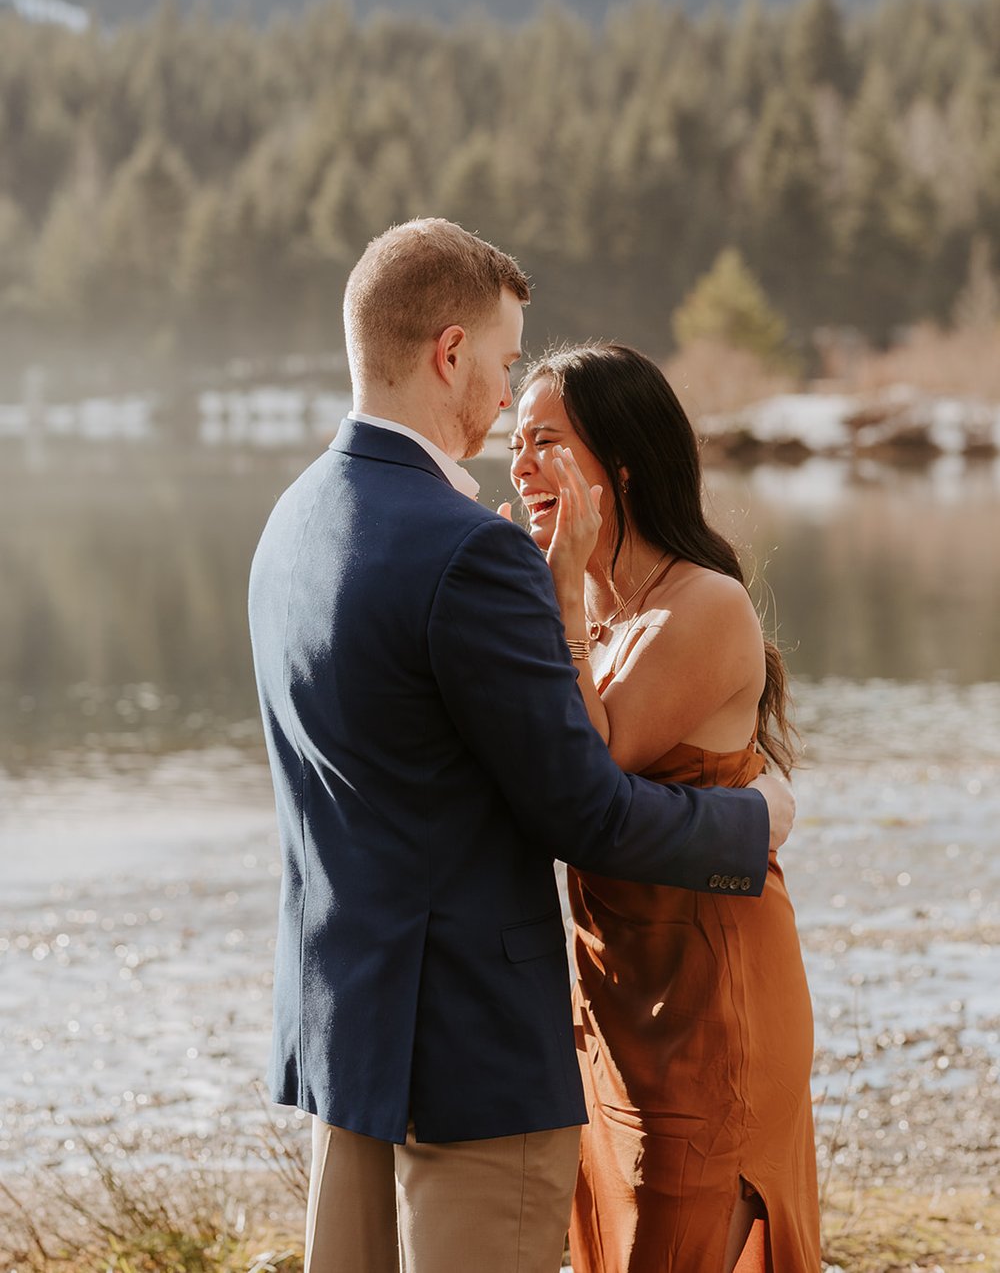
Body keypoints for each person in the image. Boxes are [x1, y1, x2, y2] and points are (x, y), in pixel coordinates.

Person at [248, 219, 795, 1273]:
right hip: (467, 1054)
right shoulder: (468, 551)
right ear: (448, 353)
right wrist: (752, 820)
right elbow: (579, 807)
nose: (504, 399)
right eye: (501, 365)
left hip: (347, 1034)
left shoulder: (294, 521)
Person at [507, 341, 820, 1273]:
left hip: (712, 1001)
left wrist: (558, 592)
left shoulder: (706, 606)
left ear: (623, 464)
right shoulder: (589, 608)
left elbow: (585, 770)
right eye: (515, 442)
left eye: (546, 442)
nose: (520, 466)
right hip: (612, 993)